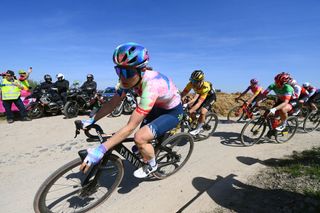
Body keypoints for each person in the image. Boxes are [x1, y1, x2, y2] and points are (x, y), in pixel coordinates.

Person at [80, 42, 183, 178]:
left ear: (142, 70)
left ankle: (152, 165)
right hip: (156, 107)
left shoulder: (152, 85)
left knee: (140, 138)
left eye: (127, 72)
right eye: (119, 71)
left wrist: (101, 149)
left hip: (172, 111)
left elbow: (130, 127)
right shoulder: (128, 81)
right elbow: (112, 104)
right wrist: (92, 119)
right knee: (137, 147)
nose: (122, 77)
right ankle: (148, 150)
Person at [180, 70, 216, 135]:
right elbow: (183, 94)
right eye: (192, 80)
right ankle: (195, 122)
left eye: (195, 82)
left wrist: (188, 113)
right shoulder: (190, 84)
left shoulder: (205, 87)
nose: (193, 83)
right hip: (201, 95)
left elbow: (199, 103)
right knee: (191, 110)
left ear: (201, 81)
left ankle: (198, 129)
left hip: (210, 97)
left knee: (202, 112)